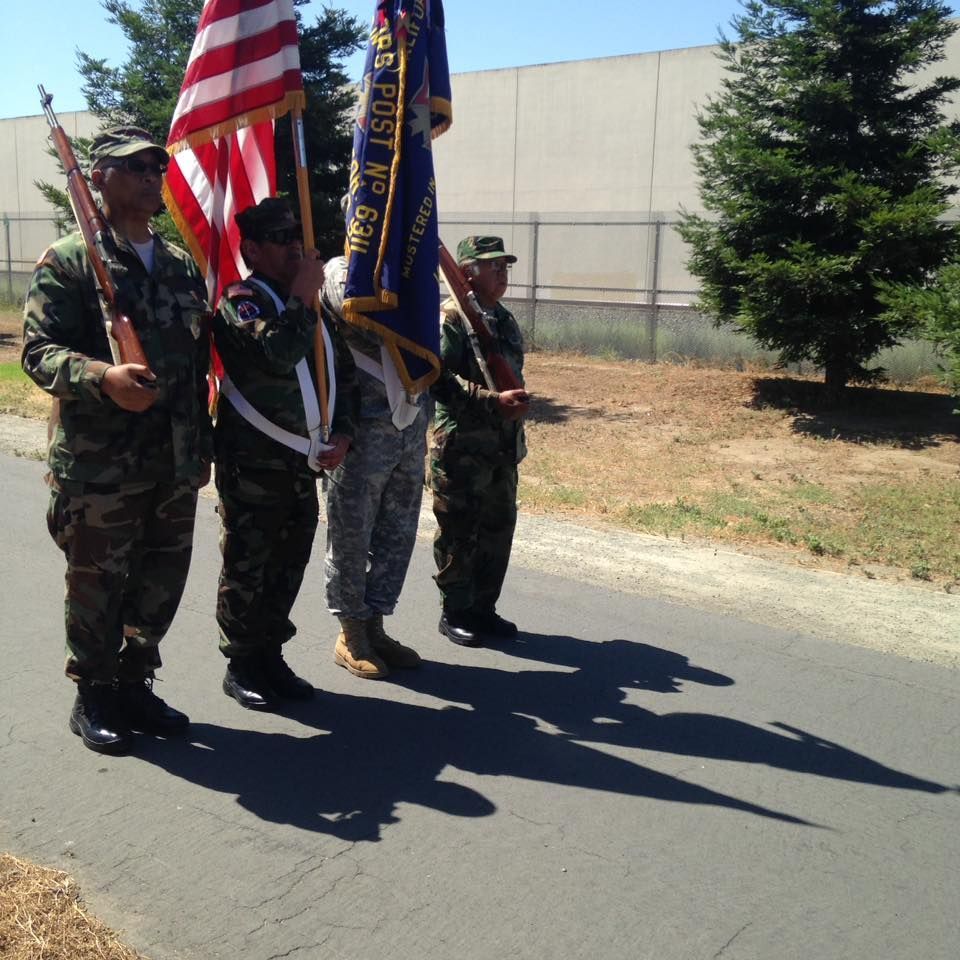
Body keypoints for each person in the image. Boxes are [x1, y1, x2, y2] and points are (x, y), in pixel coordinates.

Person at [22, 125, 213, 755]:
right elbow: (37, 351)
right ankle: (94, 693)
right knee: (97, 582)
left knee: (161, 581)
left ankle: (135, 681)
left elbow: (194, 364)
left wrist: (200, 449)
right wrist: (101, 376)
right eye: (134, 168)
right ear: (99, 178)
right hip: (102, 467)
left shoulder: (182, 263)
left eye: (156, 168)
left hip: (172, 462)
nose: (150, 177)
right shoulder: (71, 259)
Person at [214, 198, 358, 711]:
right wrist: (300, 296)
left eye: (297, 237)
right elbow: (276, 354)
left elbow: (342, 376)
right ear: (252, 249)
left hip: (302, 464)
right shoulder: (241, 300)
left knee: (288, 563)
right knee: (249, 566)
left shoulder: (312, 307)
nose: (295, 246)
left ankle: (271, 656)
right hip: (253, 463)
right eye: (281, 240)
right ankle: (242, 663)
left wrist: (343, 434)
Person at [319, 253, 427, 680]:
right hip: (363, 427)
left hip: (408, 425)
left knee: (395, 536)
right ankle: (351, 632)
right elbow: (351, 305)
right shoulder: (341, 272)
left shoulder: (411, 273)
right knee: (351, 535)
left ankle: (375, 625)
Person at [430, 236, 530, 647]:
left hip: (501, 449)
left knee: (497, 529)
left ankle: (484, 607)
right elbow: (437, 378)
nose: (502, 272)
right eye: (493, 266)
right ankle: (456, 610)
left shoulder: (502, 319)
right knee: (460, 532)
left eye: (505, 265)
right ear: (467, 271)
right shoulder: (452, 319)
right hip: (461, 449)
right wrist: (492, 402)